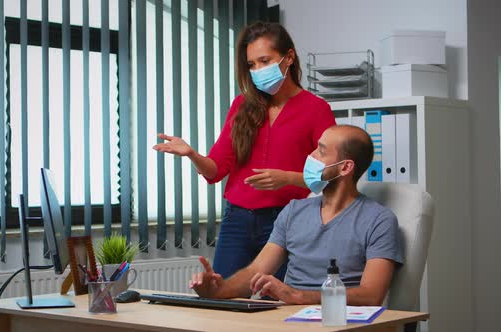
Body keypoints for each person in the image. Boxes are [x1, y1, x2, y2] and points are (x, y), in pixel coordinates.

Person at [153, 22, 335, 279]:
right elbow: (216, 170)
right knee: (222, 299)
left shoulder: (316, 109)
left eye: (265, 60)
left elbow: (333, 172)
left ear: (289, 57)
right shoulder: (242, 105)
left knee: (278, 303)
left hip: (286, 220)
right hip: (236, 221)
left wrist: (287, 178)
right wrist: (192, 154)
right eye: (252, 65)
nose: (258, 70)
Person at [189, 125, 403, 305]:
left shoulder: (379, 220)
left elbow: (371, 295)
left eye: (320, 151)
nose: (310, 156)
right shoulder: (294, 211)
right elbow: (255, 271)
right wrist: (218, 290)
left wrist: (297, 296)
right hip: (287, 320)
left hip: (339, 321)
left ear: (345, 167)